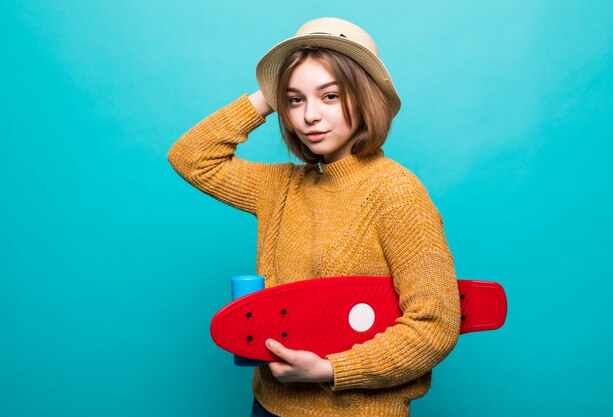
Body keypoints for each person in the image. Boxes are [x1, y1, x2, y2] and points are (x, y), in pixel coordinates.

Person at [168, 17, 460, 417]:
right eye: (295, 100)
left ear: (364, 97)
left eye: (330, 96)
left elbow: (435, 326)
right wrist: (270, 94)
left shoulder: (395, 192)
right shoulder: (280, 188)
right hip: (268, 406)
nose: (309, 117)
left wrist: (329, 369)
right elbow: (191, 157)